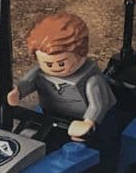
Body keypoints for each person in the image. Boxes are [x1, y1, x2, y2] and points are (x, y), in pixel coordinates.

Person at [7, 12, 114, 143]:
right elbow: (26, 83)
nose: (55, 68)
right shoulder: (39, 73)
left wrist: (88, 122)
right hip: (52, 116)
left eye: (61, 63)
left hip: (91, 123)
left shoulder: (92, 81)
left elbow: (98, 105)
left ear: (81, 54)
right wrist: (16, 92)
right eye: (48, 64)